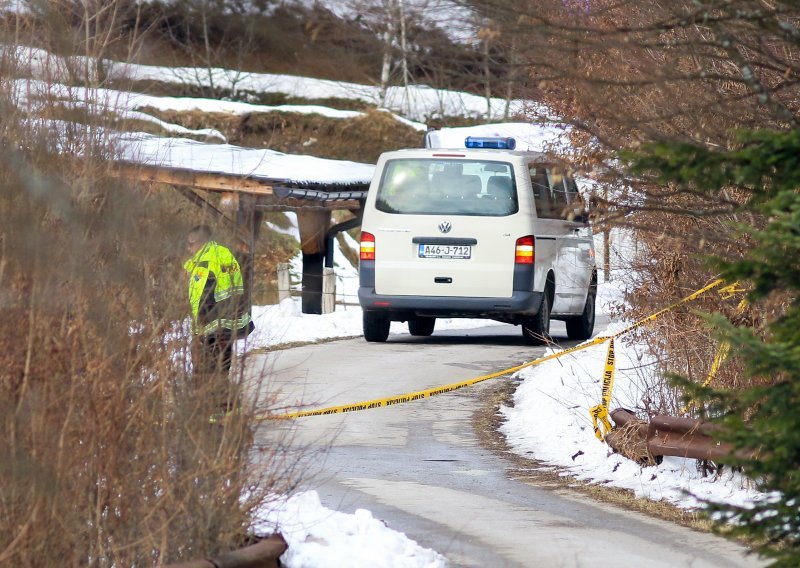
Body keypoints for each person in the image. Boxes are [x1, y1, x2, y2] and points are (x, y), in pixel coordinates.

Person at [183, 225, 254, 408]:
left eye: (190, 244)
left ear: (200, 243)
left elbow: (201, 300)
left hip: (212, 331)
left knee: (208, 377)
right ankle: (228, 417)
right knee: (222, 374)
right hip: (227, 330)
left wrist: (199, 332)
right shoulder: (223, 254)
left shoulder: (205, 264)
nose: (188, 248)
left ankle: (214, 419)